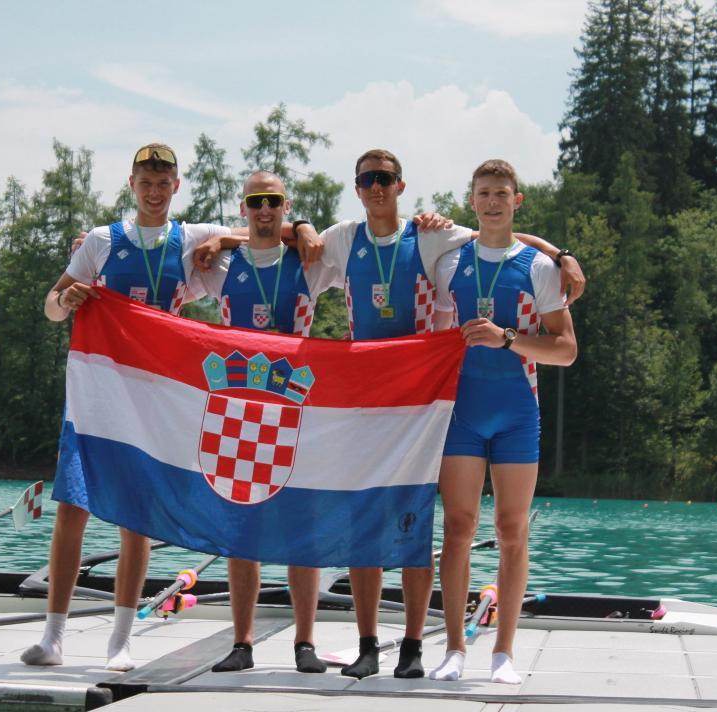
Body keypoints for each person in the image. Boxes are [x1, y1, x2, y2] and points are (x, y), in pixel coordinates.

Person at [198, 148, 584, 679]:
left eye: (385, 178)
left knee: (439, 523)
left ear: (401, 186)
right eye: (367, 180)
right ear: (357, 188)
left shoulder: (434, 240)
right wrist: (232, 238)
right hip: (372, 399)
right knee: (383, 518)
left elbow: (501, 238)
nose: (376, 186)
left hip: (428, 403)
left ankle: (435, 649)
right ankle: (382, 645)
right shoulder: (344, 238)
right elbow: (274, 234)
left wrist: (561, 254)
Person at [23, 143, 235, 671]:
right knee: (72, 507)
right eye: (146, 183)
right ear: (132, 185)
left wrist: (224, 240)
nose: (154, 192)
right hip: (97, 392)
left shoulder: (191, 239)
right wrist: (65, 300)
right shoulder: (101, 241)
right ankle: (52, 638)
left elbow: (261, 236)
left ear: (176, 187)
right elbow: (51, 306)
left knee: (136, 518)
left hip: (154, 398)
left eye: (163, 184)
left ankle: (120, 640)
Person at [429, 159, 577, 683]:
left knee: (512, 530)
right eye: (484, 193)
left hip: (516, 412)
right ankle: (453, 649)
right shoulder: (448, 263)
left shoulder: (539, 268)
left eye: (501, 193)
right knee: (457, 528)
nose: (492, 202)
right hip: (462, 413)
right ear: (472, 201)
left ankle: (504, 654)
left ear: (517, 201)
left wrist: (508, 338)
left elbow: (566, 350)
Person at [196, 170, 327, 674]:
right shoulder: (221, 265)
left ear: (286, 206)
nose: (265, 209)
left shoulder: (311, 260)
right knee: (242, 532)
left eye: (273, 201)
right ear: (243, 208)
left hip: (295, 408)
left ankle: (305, 643)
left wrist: (304, 227)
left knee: (302, 532)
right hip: (240, 413)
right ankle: (242, 643)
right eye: (256, 202)